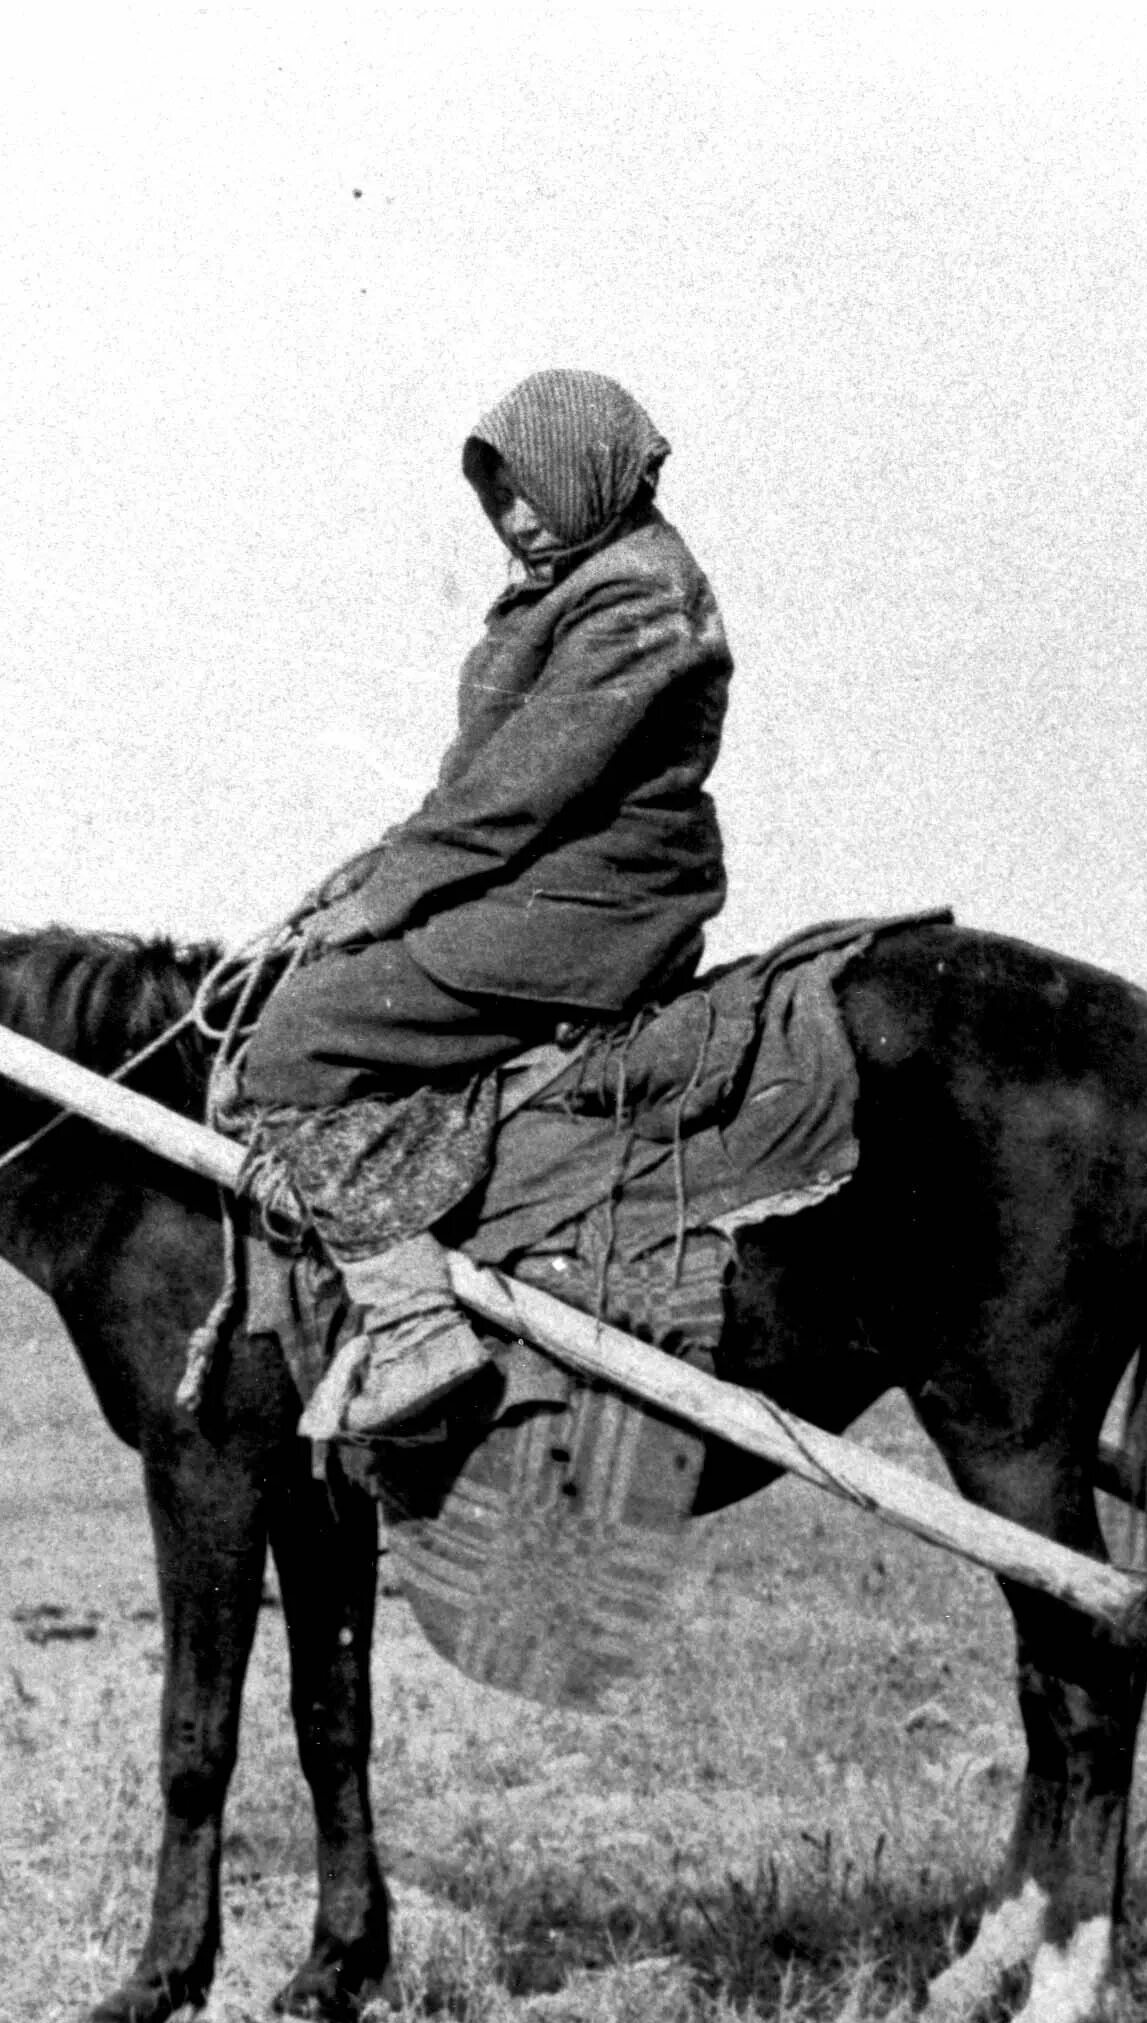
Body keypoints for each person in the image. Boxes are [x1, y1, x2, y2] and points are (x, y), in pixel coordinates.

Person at [235, 370, 732, 1437]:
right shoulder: (583, 576)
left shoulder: (635, 595)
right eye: (497, 495)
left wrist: (384, 903)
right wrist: (369, 870)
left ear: (590, 473)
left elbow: (523, 787)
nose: (513, 517)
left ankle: (413, 1327)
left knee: (295, 1044)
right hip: (547, 877)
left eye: (531, 490)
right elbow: (485, 776)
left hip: (594, 902)